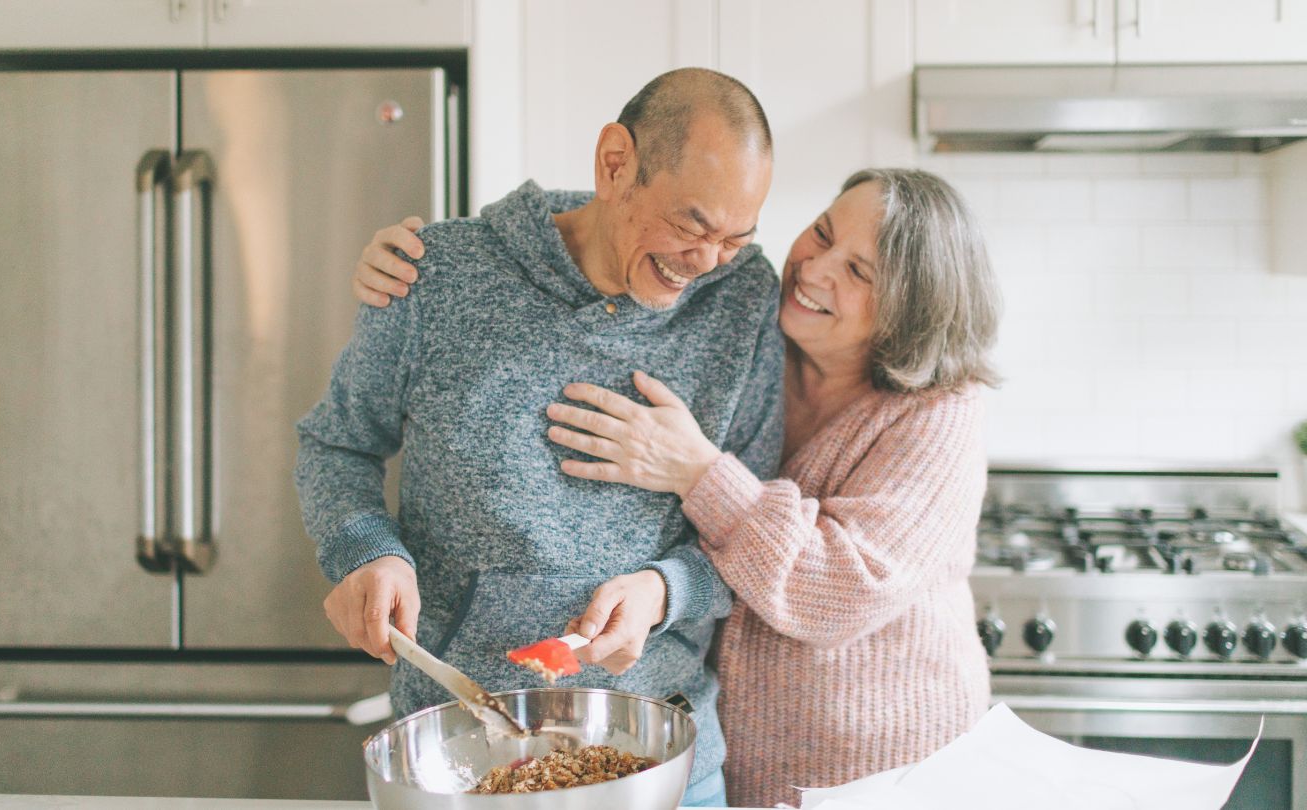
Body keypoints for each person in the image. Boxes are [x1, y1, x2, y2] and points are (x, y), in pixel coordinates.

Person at [354, 167, 1002, 808]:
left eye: (858, 271)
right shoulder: (760, 336)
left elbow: (839, 589)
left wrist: (697, 472)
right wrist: (437, 255)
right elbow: (631, 228)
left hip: (889, 774)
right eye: (823, 232)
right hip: (738, 758)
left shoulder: (939, 413)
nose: (815, 268)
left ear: (912, 313)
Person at [295, 68, 784, 808]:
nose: (706, 262)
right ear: (615, 163)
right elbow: (337, 445)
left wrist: (664, 590)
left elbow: (753, 527)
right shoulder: (441, 275)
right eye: (692, 226)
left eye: (736, 238)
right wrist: (367, 551)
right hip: (459, 755)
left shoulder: (743, 300)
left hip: (664, 765)